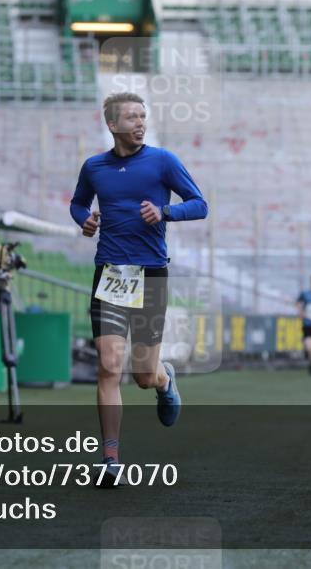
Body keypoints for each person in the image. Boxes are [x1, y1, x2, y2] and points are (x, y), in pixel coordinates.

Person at [70, 92, 208, 488]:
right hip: (111, 273)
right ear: (112, 125)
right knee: (109, 364)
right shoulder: (94, 167)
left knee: (143, 374)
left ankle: (164, 380)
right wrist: (86, 219)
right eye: (131, 117)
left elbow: (199, 204)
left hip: (150, 275)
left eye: (143, 116)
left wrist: (165, 212)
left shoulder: (163, 161)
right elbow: (78, 204)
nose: (140, 122)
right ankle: (110, 459)